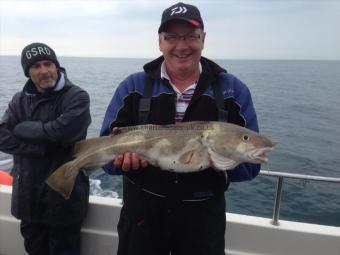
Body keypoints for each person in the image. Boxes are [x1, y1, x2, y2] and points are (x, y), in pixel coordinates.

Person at [100, 2, 261, 255]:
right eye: (172, 37)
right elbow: (106, 160)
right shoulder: (132, 87)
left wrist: (224, 161)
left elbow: (251, 167)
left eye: (190, 36)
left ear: (203, 39)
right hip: (142, 218)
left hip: (203, 222)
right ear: (160, 42)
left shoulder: (233, 91)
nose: (182, 45)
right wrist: (121, 161)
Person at [0, 42, 91, 255]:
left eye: (48, 64)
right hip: (27, 199)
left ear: (56, 66)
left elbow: (60, 133)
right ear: (27, 72)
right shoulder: (19, 100)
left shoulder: (77, 97)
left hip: (64, 199)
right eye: (36, 66)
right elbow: (2, 135)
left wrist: (22, 128)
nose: (44, 71)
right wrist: (41, 150)